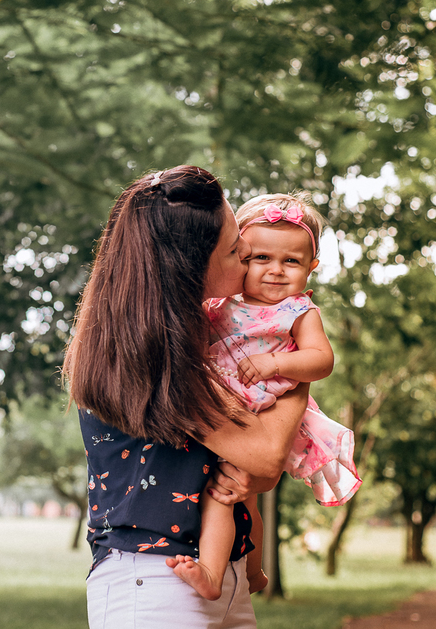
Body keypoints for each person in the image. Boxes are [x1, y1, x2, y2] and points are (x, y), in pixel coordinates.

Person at [65, 166, 313, 629]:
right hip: (156, 583)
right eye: (235, 251)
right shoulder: (148, 351)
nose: (249, 261)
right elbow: (264, 454)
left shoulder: (204, 335)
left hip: (218, 575)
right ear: (192, 266)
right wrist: (295, 363)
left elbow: (251, 469)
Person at [171, 193, 360, 601]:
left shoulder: (300, 311)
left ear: (311, 268)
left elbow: (321, 359)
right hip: (220, 407)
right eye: (260, 259)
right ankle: (254, 573)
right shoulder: (219, 304)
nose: (275, 271)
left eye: (291, 262)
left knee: (226, 493)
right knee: (239, 495)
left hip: (264, 408)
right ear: (240, 258)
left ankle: (215, 572)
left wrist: (277, 365)